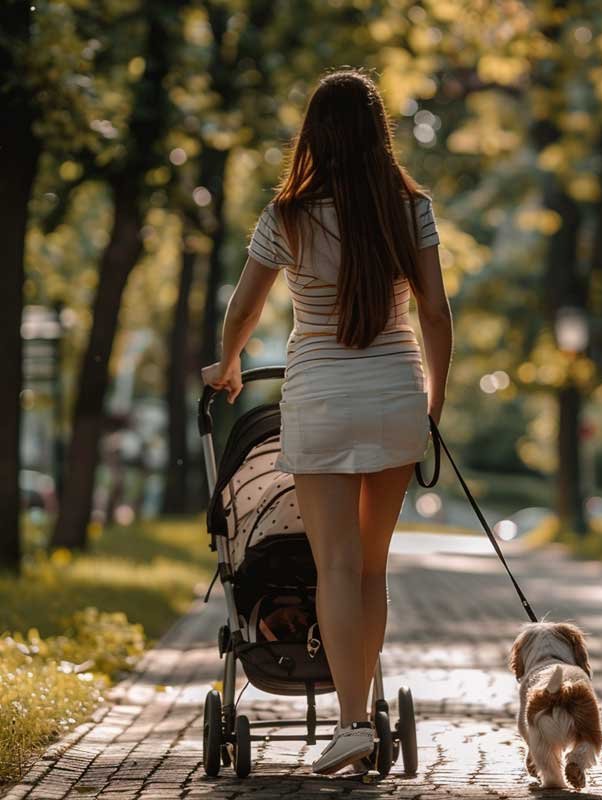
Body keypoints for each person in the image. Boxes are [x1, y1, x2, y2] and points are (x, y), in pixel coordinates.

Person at [201, 66, 453, 776]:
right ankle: (359, 715)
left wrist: (227, 363)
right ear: (379, 136)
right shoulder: (410, 209)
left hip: (319, 399)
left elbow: (245, 310)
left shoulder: (286, 216)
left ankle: (350, 724)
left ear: (313, 135)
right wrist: (435, 403)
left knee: (334, 567)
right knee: (371, 568)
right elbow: (434, 312)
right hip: (396, 391)